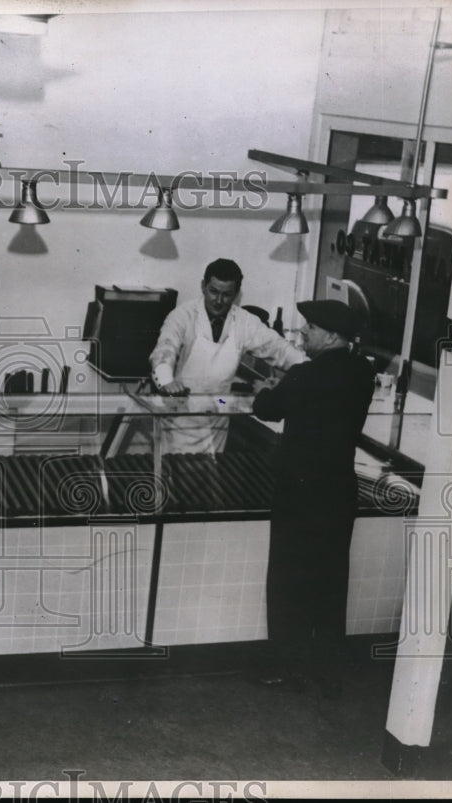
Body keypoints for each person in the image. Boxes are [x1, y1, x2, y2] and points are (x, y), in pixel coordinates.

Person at [251, 299, 375, 699]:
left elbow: (266, 409)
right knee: (330, 580)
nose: (303, 333)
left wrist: (264, 389)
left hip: (298, 491)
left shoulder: (305, 375)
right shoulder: (363, 373)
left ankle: (285, 666)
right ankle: (326, 670)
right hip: (338, 490)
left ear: (334, 336)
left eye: (312, 328)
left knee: (288, 578)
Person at [149, 258, 305, 453]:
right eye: (213, 292)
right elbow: (165, 348)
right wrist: (166, 381)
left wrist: (311, 368)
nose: (219, 300)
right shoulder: (183, 316)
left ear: (236, 294)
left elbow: (278, 348)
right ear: (203, 286)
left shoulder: (244, 322)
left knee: (209, 477)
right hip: (181, 415)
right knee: (179, 475)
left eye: (226, 294)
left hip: (219, 408)